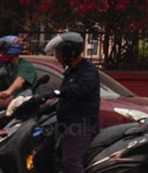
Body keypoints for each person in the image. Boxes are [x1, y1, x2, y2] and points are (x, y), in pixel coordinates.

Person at [34, 32, 99, 173]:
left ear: (70, 52)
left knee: (70, 163)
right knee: (40, 157)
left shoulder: (88, 70)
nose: (56, 56)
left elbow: (78, 90)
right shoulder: (70, 71)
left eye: (58, 52)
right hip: (65, 124)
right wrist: (42, 109)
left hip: (82, 125)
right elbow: (65, 99)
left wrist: (54, 93)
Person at [0, 35, 38, 100]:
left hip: (29, 102)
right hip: (15, 103)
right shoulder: (8, 69)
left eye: (2, 51)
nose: (0, 54)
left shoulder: (26, 66)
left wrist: (8, 91)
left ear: (11, 50)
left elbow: (20, 80)